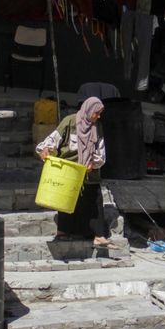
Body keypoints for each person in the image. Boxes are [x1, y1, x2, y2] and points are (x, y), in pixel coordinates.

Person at [36, 97, 115, 248]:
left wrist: (93, 163)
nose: (98, 116)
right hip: (68, 173)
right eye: (96, 113)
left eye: (100, 113)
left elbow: (100, 150)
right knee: (65, 200)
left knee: (94, 200)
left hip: (88, 173)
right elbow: (52, 140)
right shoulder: (70, 122)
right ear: (88, 110)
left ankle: (98, 236)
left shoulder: (97, 127)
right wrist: (45, 150)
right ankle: (63, 232)